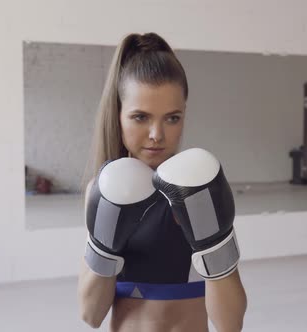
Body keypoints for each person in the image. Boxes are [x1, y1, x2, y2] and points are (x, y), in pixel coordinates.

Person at [77, 32, 247, 332]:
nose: (157, 133)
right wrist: (105, 248)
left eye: (172, 118)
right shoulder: (103, 190)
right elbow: (91, 314)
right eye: (141, 117)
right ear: (118, 115)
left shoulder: (199, 189)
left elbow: (230, 323)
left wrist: (214, 246)